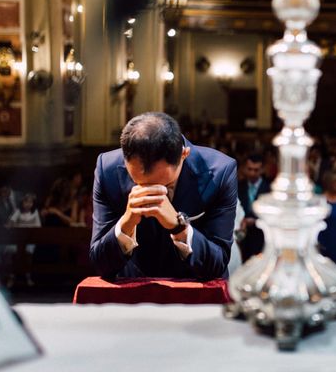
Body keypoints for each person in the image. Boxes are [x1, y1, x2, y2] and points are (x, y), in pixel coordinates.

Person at [89, 112, 237, 279]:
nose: (152, 194)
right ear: (125, 160)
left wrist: (179, 226)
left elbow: (217, 264)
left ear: (184, 154)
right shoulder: (107, 170)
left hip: (194, 291)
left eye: (165, 186)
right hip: (132, 291)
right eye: (139, 183)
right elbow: (100, 264)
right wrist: (126, 224)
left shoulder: (220, 172)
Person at [237, 153, 271, 261]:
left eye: (256, 170)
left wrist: (255, 221)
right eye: (249, 169)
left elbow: (270, 216)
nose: (252, 173)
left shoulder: (269, 189)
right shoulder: (239, 186)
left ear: (262, 170)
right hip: (242, 239)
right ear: (244, 168)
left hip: (261, 238)